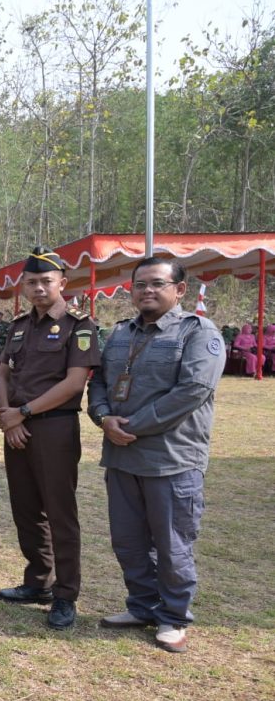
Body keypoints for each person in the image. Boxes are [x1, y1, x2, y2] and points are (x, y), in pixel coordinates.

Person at [87, 257, 225, 653]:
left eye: (157, 284)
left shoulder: (198, 333)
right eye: (140, 284)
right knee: (128, 541)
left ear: (179, 290)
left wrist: (132, 425)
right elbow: (99, 383)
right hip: (122, 457)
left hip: (172, 459)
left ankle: (173, 617)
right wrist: (103, 417)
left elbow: (192, 391)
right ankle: (142, 606)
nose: (147, 291)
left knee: (172, 544)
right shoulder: (119, 335)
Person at [0, 248, 101, 629]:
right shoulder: (19, 326)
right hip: (16, 427)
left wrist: (22, 413)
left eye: (46, 281)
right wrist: (9, 418)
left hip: (54, 427)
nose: (38, 288)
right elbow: (3, 375)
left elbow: (74, 382)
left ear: (62, 284)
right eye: (32, 282)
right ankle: (38, 581)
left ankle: (66, 593)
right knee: (26, 509)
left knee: (59, 512)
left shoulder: (79, 326)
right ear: (24, 286)